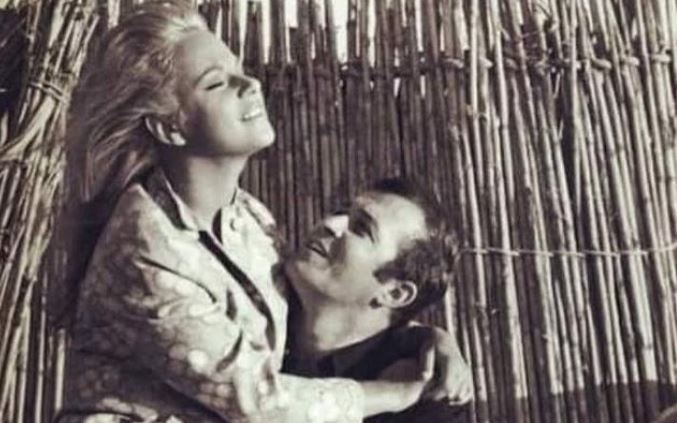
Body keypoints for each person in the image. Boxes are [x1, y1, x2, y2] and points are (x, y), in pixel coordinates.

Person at [55, 1, 472, 422]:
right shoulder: (144, 246)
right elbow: (257, 400)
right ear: (170, 127)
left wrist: (427, 339)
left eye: (238, 69)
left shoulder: (250, 220)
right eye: (217, 83)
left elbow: (317, 314)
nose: (250, 83)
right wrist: (393, 394)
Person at [283, 177, 470, 422]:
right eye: (340, 212)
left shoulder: (422, 402)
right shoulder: (250, 301)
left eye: (362, 229)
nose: (328, 224)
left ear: (394, 293)